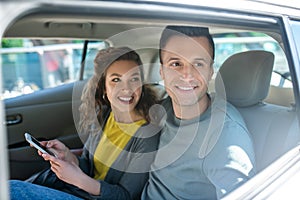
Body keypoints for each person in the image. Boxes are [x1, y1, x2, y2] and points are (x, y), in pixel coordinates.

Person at [10, 47, 161, 200]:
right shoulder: (105, 116)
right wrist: (68, 155)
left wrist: (77, 179)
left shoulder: (147, 136)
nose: (127, 89)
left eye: (134, 79)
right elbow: (90, 165)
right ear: (103, 87)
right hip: (76, 190)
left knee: (12, 189)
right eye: (116, 80)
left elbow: (126, 196)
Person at [141, 26, 256, 199]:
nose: (187, 75)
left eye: (198, 64)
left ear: (210, 71)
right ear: (162, 72)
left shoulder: (225, 136)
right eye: (176, 64)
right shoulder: (164, 109)